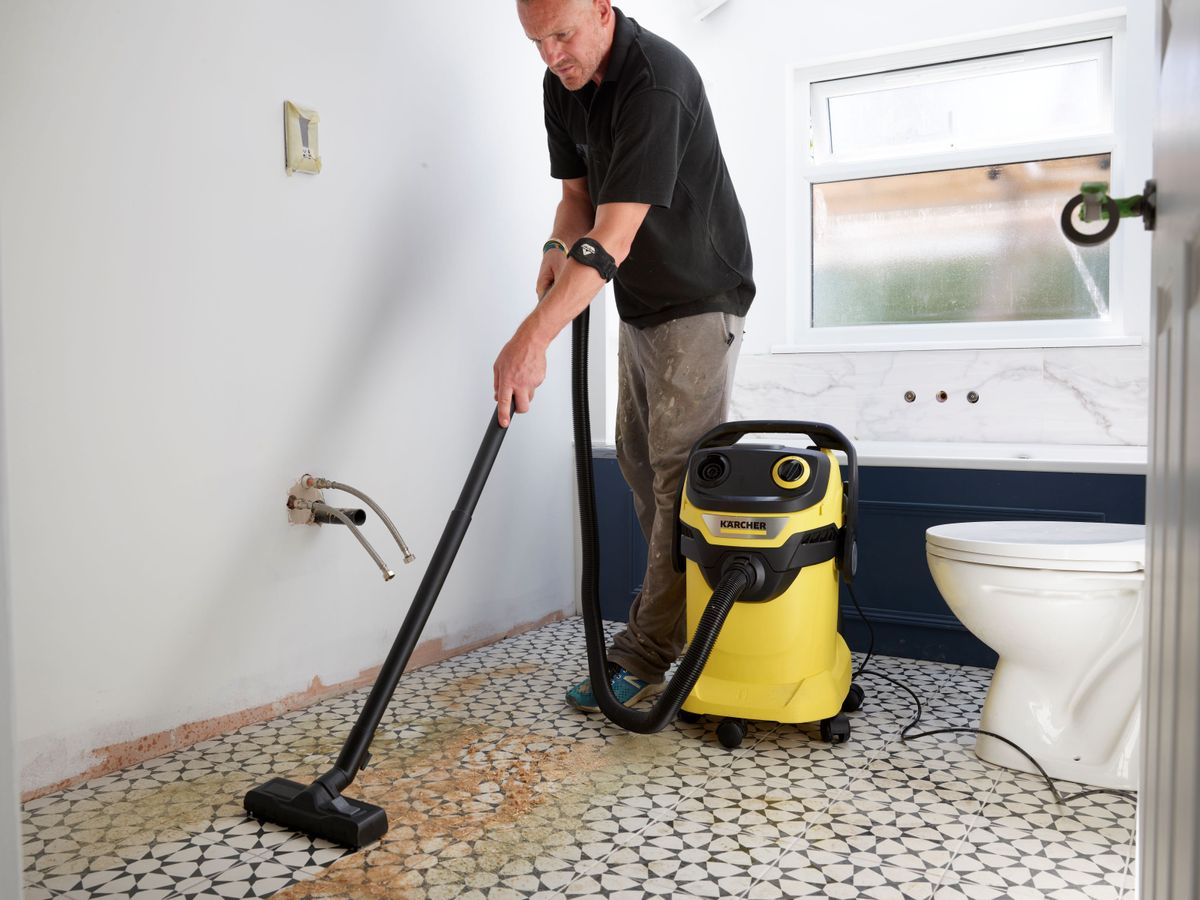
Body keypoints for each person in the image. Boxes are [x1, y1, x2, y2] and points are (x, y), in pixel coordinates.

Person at [494, 0, 754, 711]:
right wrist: (554, 247)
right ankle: (685, 625)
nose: (551, 55)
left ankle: (647, 651)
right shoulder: (566, 83)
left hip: (699, 297)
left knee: (678, 481)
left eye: (562, 35)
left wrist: (531, 338)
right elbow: (578, 197)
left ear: (603, 13)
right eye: (537, 41)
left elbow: (612, 236)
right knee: (642, 469)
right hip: (639, 302)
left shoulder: (656, 80)